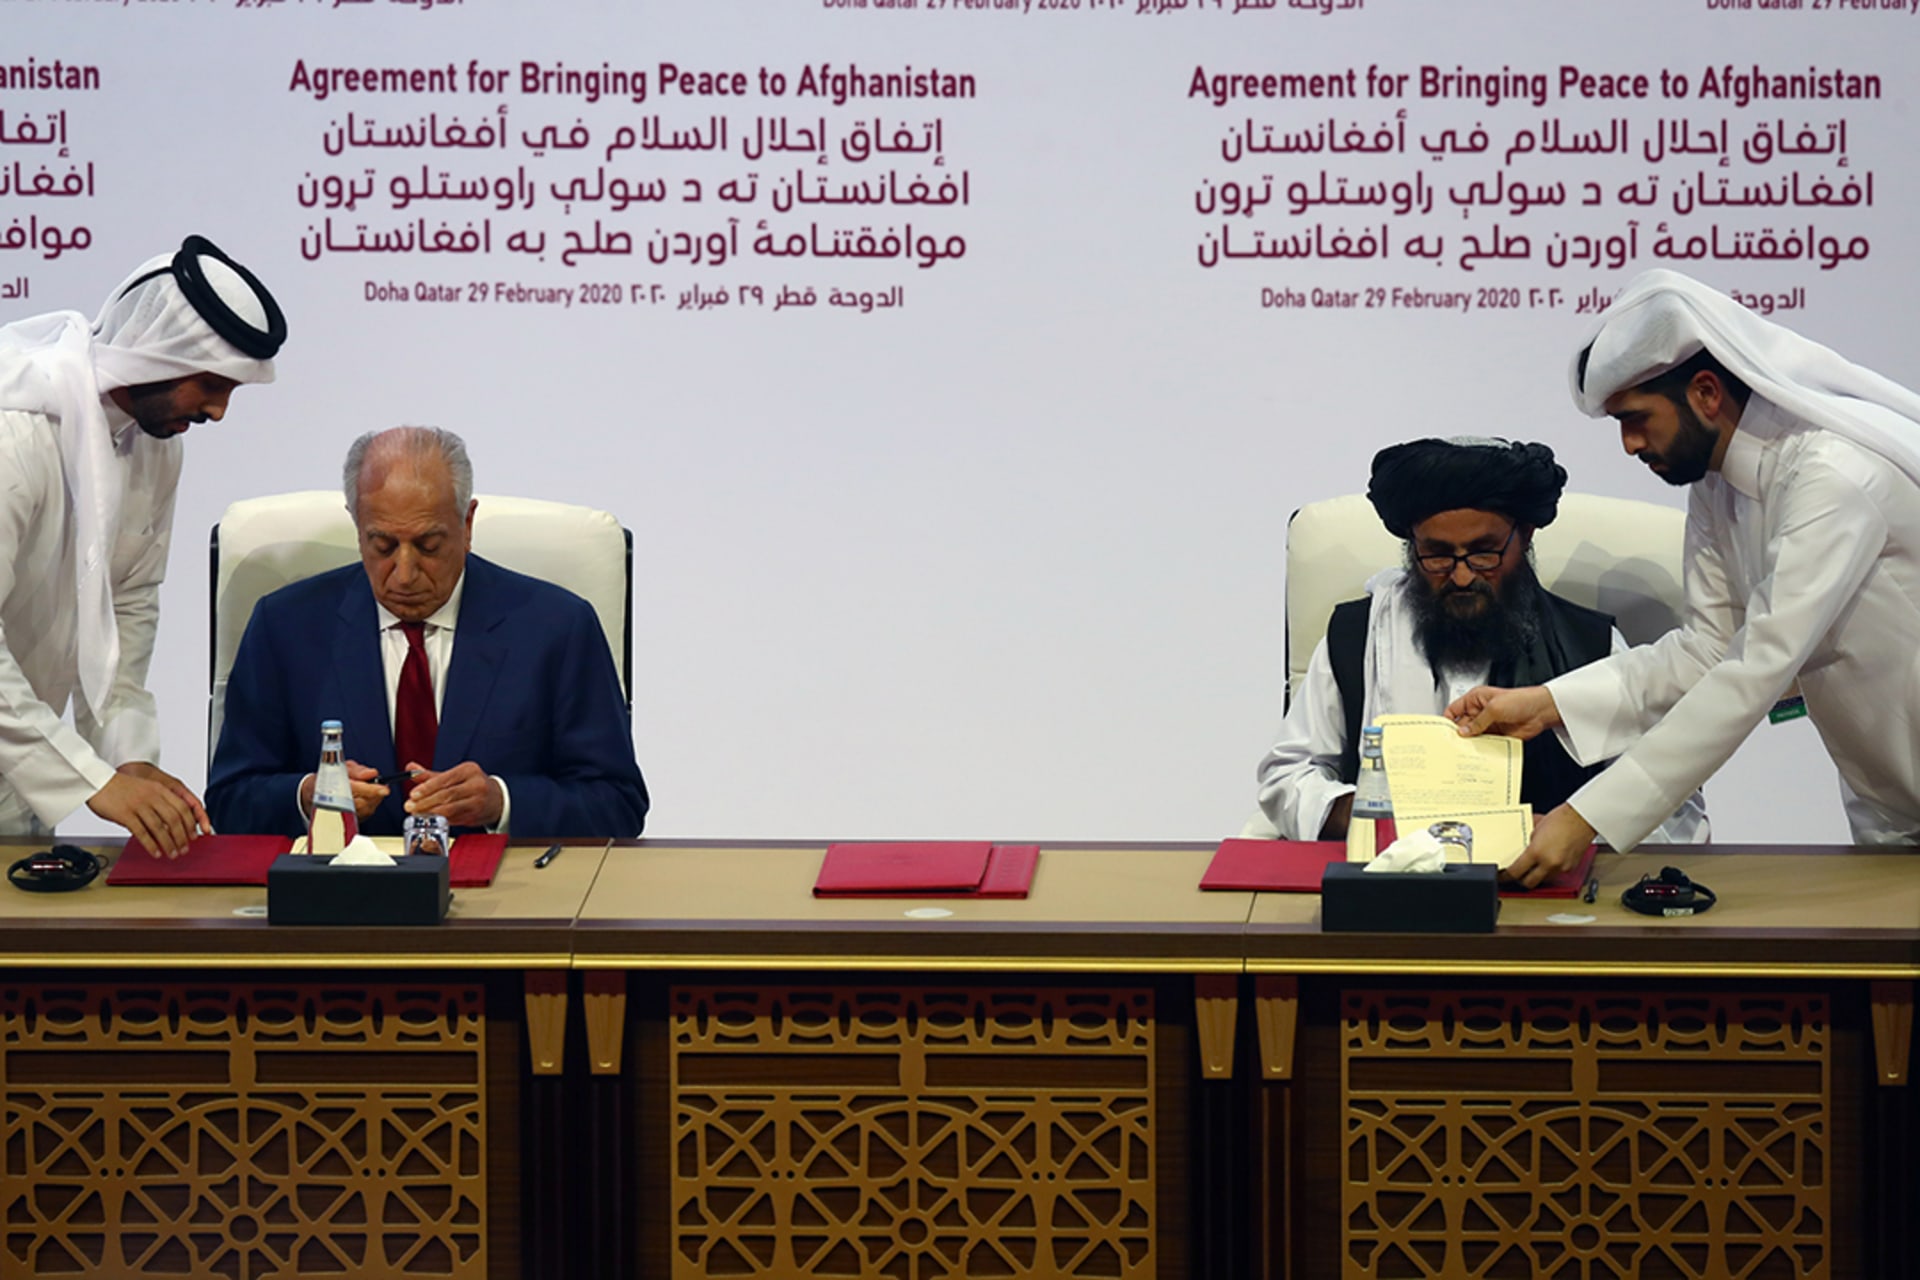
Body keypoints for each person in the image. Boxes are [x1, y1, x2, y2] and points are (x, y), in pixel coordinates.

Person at [1451, 268, 1920, 885]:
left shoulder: (1834, 478)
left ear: (1705, 393)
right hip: (1888, 803)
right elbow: (1706, 650)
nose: (1627, 444)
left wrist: (1589, 814)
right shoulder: (1716, 484)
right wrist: (1548, 704)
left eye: (1636, 417)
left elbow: (1754, 671)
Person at [1256, 436, 1707, 847]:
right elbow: (1288, 775)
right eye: (1436, 555)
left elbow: (1672, 805)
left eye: (1484, 552)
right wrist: (1366, 817)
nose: (1463, 575)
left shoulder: (1591, 645)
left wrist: (1576, 830)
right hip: (1386, 888)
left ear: (1525, 536)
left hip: (1544, 902)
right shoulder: (1357, 637)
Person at [205, 426, 649, 838]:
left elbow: (618, 805)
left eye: (428, 546)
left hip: (503, 906)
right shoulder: (285, 627)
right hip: (338, 903)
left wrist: (502, 802)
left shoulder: (558, 628)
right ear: (356, 524)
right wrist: (306, 797)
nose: (404, 573)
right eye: (381, 546)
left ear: (468, 525)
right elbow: (229, 800)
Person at [0, 236, 285, 857]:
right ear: (156, 354)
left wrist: (127, 760)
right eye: (210, 383)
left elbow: (127, 607)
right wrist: (89, 778)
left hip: (16, 782)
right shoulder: (14, 432)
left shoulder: (156, 447)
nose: (218, 410)